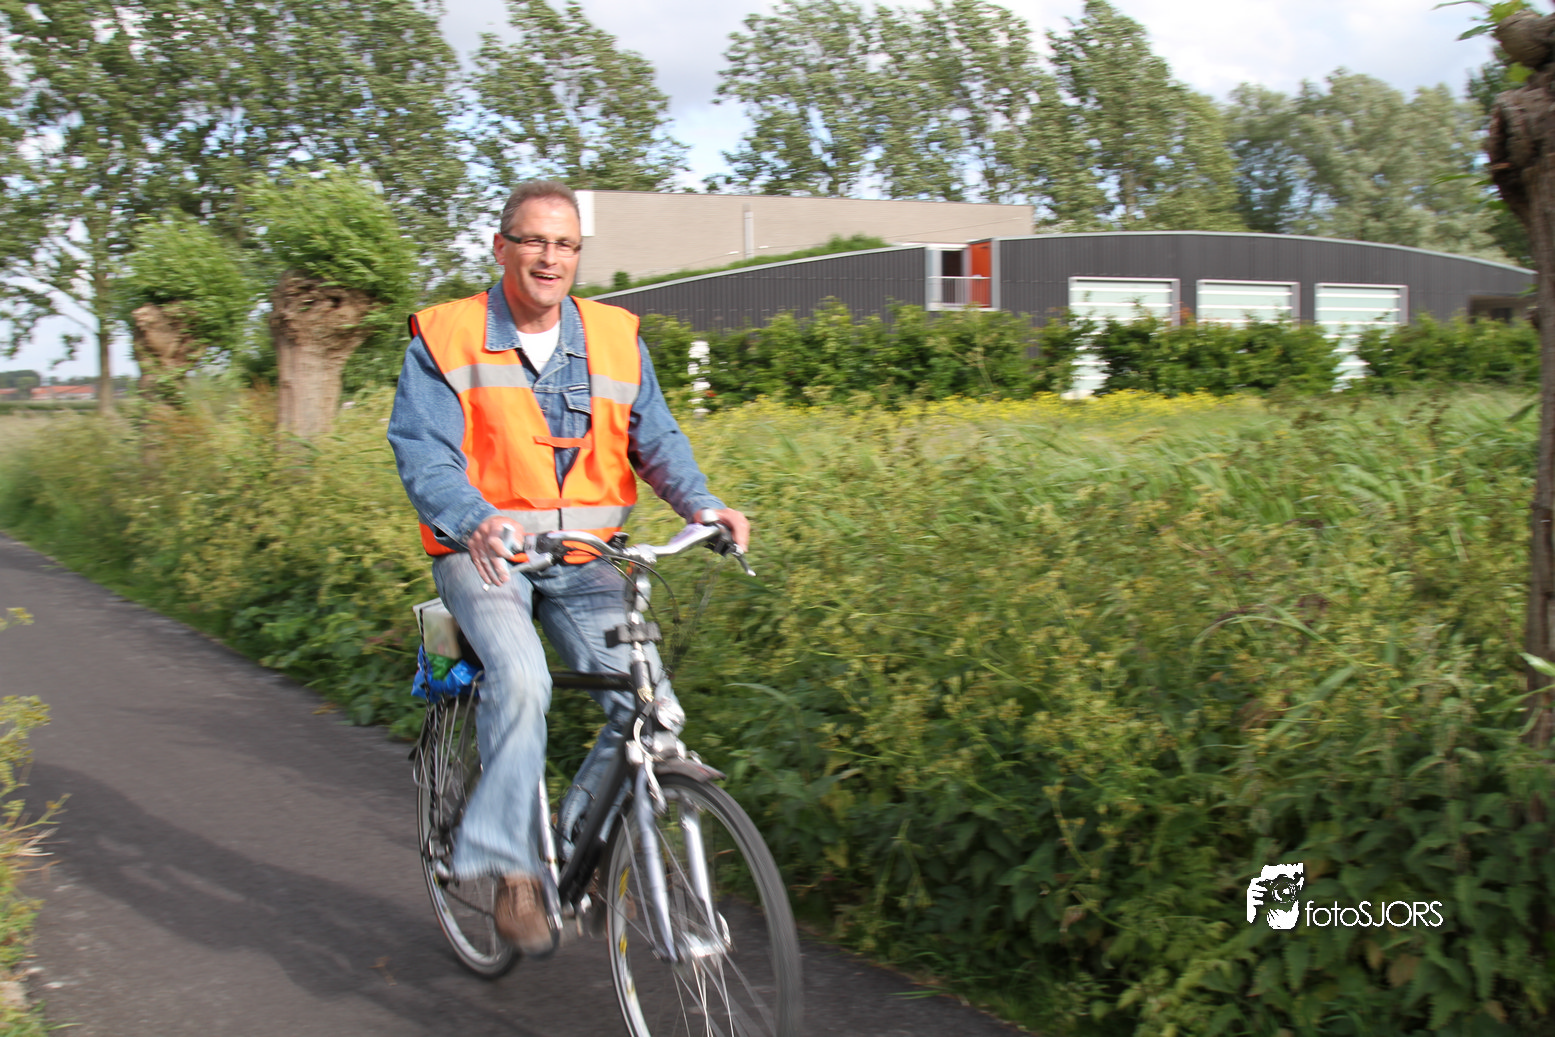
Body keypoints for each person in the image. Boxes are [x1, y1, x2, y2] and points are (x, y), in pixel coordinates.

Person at [387, 180, 749, 955]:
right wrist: (476, 519)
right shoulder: (446, 337)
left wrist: (703, 506)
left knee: (654, 712)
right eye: (533, 240)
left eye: (564, 244)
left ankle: (573, 839)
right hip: (486, 558)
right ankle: (514, 869)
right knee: (522, 681)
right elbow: (425, 456)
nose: (549, 257)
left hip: (586, 561)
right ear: (501, 248)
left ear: (577, 255)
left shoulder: (615, 337)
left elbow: (657, 438)